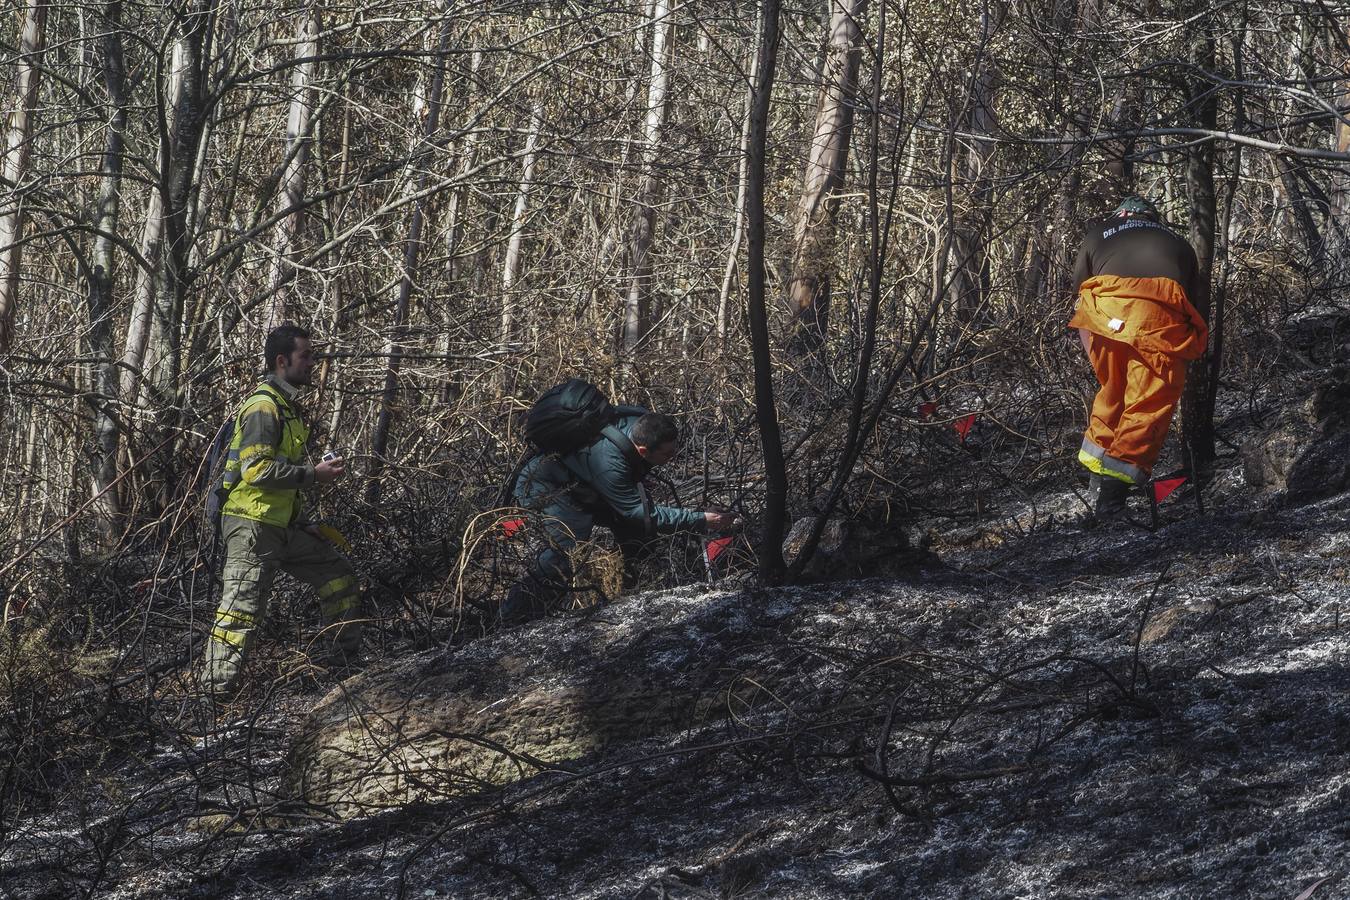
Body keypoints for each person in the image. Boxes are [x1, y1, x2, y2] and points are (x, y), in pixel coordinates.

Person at [200, 324, 362, 695]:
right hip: (252, 526)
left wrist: (302, 522)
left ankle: (344, 669)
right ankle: (212, 700)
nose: (313, 363)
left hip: (281, 527)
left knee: (338, 574)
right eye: (305, 355)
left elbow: (279, 479)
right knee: (240, 611)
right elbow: (255, 471)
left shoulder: (286, 407)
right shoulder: (264, 408)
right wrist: (314, 475)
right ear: (281, 360)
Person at [501, 410, 740, 624]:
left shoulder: (643, 422)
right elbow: (642, 514)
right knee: (567, 546)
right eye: (667, 454)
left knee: (634, 532)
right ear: (644, 451)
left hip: (582, 481)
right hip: (545, 484)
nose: (673, 457)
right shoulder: (610, 465)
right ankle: (514, 614)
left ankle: (636, 594)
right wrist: (700, 519)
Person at [1069, 195, 1210, 521]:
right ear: (1153, 218)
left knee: (1113, 390)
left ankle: (1094, 478)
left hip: (1103, 321)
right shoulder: (1179, 243)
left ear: (1121, 214)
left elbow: (1079, 287)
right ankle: (1112, 502)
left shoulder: (1099, 232)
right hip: (1155, 322)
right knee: (1147, 405)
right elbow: (1194, 302)